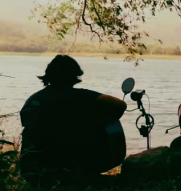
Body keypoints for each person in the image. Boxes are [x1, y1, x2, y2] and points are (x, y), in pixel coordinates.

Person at [19, 55, 127, 184]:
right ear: (74, 76)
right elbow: (120, 105)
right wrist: (99, 122)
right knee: (110, 124)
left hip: (33, 168)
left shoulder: (33, 100)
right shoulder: (82, 97)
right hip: (73, 166)